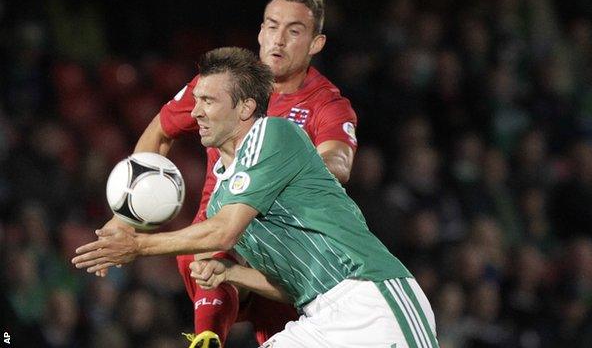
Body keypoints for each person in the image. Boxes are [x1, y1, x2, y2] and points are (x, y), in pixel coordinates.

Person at [74, 46, 439, 348]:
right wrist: (232, 272)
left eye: (208, 101)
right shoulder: (222, 198)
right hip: (322, 314)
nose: (196, 111)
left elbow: (222, 233)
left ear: (246, 108)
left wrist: (136, 245)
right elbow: (293, 285)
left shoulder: (274, 135)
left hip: (374, 300)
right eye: (196, 100)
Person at [96, 0, 358, 345]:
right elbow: (159, 133)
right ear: (260, 31)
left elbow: (338, 163)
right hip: (224, 230)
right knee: (200, 250)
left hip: (290, 248)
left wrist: (286, 172)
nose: (278, 39)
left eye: (294, 31)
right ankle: (207, 337)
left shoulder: (326, 103)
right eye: (271, 26)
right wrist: (128, 213)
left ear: (316, 43)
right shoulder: (222, 84)